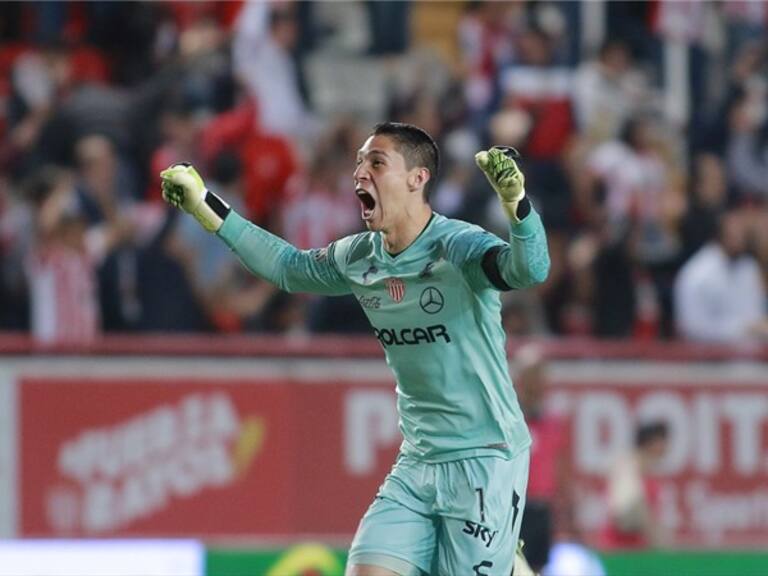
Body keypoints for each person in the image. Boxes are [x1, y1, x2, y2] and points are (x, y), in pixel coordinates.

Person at [160, 121, 550, 576]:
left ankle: (511, 562)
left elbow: (530, 270)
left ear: (416, 179)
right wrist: (208, 209)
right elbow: (289, 268)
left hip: (485, 458)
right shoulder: (360, 257)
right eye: (359, 163)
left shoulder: (457, 247)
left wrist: (517, 207)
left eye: (377, 163)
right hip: (419, 459)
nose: (360, 173)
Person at [514, 344, 569, 574]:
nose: (538, 382)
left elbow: (560, 470)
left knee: (538, 568)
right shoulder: (507, 420)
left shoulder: (552, 422)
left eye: (541, 375)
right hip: (513, 506)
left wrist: (564, 511)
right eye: (532, 375)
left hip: (541, 509)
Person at [600, 420, 670, 550]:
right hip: (621, 547)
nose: (666, 446)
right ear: (650, 443)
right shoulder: (628, 467)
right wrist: (658, 538)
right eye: (662, 441)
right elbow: (626, 512)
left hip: (639, 545)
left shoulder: (648, 471)